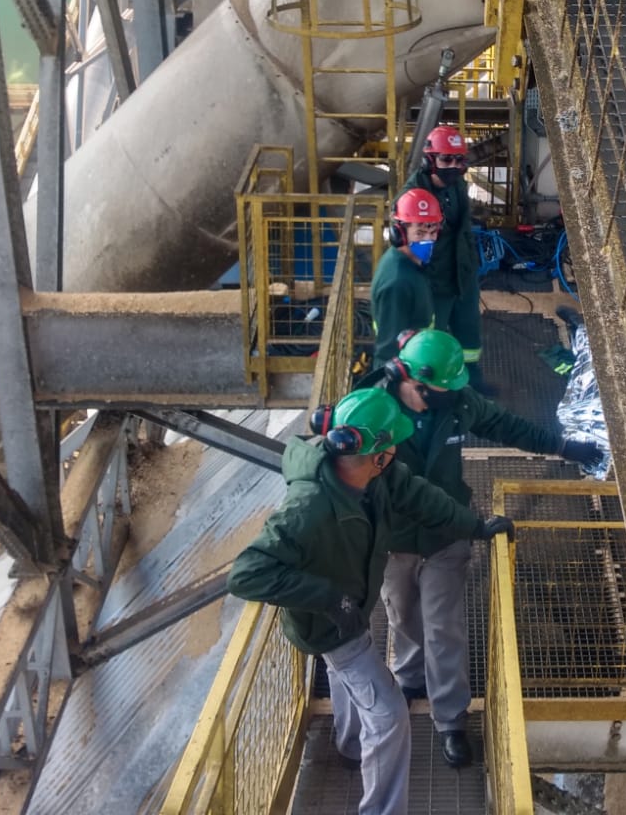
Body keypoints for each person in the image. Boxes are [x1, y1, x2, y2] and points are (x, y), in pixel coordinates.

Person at [229, 388, 514, 815]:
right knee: (388, 716)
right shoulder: (308, 508)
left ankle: (347, 746)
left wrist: (475, 526)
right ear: (376, 454)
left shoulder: (375, 478)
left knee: (349, 686)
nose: (398, 451)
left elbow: (424, 498)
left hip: (350, 607)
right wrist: (329, 599)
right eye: (392, 445)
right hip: (330, 625)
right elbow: (246, 573)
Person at [375, 328, 605, 767]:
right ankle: (408, 680)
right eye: (441, 391)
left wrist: (562, 446)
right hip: (396, 540)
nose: (449, 398)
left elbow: (504, 424)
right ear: (411, 382)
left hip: (447, 535)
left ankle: (450, 719)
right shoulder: (374, 413)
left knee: (443, 627)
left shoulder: (456, 403)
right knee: (401, 614)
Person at [404, 126, 490, 391]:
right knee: (431, 344)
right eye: (446, 159)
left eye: (458, 160)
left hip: (462, 277)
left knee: (469, 338)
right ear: (430, 160)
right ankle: (434, 395)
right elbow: (408, 247)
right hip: (434, 284)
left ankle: (472, 387)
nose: (453, 166)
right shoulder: (412, 197)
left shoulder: (457, 186)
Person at [369, 187, 443, 366]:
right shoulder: (397, 283)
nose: (429, 240)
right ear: (399, 234)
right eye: (419, 233)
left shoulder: (410, 263)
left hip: (419, 356)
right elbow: (387, 351)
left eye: (432, 232)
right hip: (411, 369)